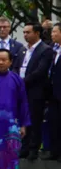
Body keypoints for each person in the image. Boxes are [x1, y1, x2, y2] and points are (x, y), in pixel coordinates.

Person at [18, 23, 51, 160]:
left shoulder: (45, 50)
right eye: (24, 32)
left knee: (34, 119)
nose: (25, 35)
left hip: (35, 90)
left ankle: (33, 148)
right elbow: (16, 66)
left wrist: (23, 81)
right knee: (23, 118)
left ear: (37, 33)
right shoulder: (23, 50)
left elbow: (40, 71)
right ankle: (23, 147)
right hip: (21, 90)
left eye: (28, 32)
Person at [48, 25, 61, 161]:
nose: (52, 34)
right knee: (54, 121)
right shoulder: (53, 49)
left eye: (55, 32)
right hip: (53, 91)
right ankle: (54, 151)